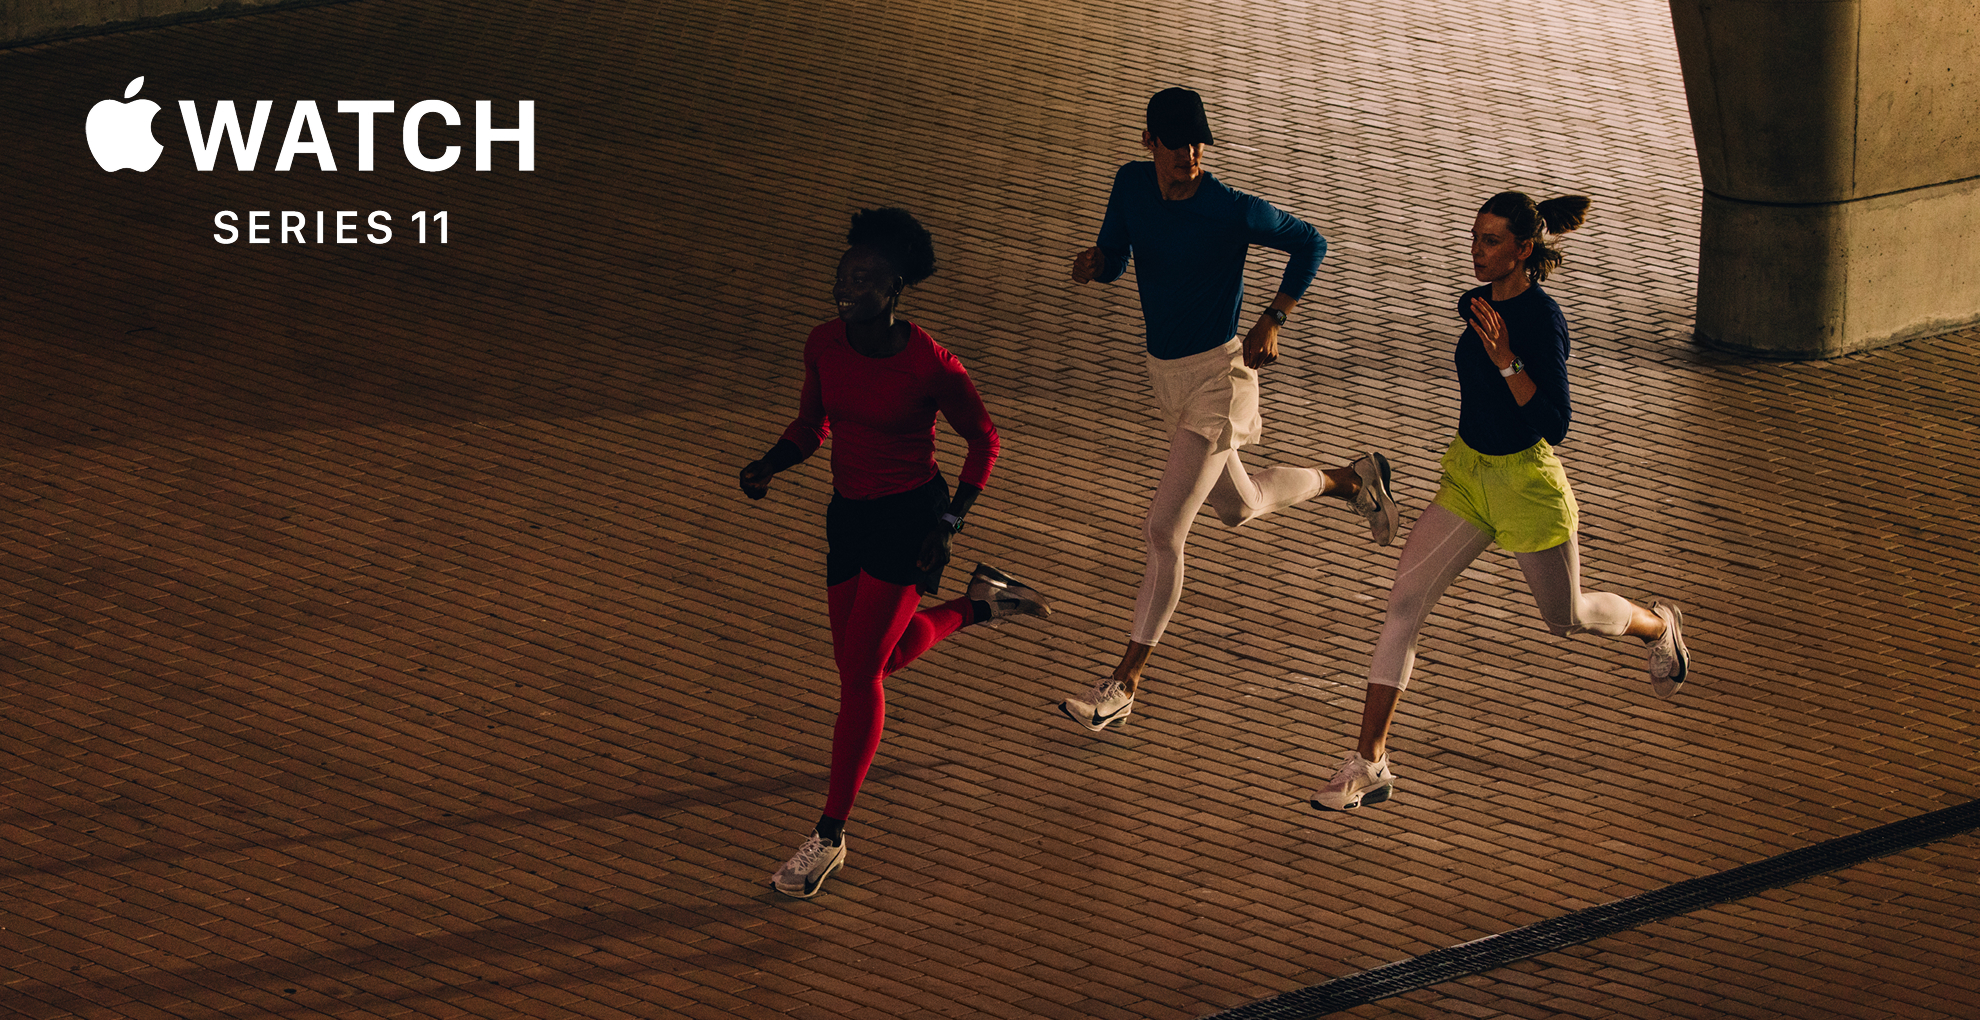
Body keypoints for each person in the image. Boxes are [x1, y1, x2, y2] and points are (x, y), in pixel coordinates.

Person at [1309, 192, 1691, 812]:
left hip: (1526, 487)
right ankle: (1369, 763)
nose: (1477, 251)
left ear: (1523, 250)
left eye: (1491, 241)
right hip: (1468, 477)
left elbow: (1555, 423)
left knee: (1566, 617)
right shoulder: (1475, 303)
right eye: (1475, 238)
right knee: (1404, 603)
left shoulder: (1543, 320)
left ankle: (1657, 625)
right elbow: (1477, 335)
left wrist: (1506, 360)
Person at [1060, 87, 1399, 732]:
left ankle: (1124, 683)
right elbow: (1118, 255)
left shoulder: (1230, 208)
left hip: (1221, 377)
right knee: (1240, 507)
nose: (1189, 155)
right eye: (1175, 143)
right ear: (1149, 142)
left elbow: (1312, 243)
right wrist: (1098, 264)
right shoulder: (1130, 185)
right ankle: (1351, 480)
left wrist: (1274, 317)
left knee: (1164, 530)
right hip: (1167, 377)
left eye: (1198, 143)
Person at [741, 207, 1053, 897]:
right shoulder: (824, 343)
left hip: (912, 520)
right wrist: (770, 463)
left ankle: (829, 837)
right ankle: (981, 605)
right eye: (843, 274)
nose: (846, 287)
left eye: (864, 279)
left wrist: (951, 521)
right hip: (848, 514)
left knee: (859, 676)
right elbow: (812, 423)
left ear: (895, 289)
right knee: (871, 660)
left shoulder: (930, 365)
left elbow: (985, 440)